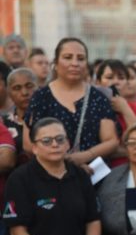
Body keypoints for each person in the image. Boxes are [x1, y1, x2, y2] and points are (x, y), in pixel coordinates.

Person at [22, 37, 119, 167]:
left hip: (93, 176)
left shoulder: (98, 97)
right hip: (51, 176)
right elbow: (29, 144)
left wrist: (85, 156)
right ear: (55, 63)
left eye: (80, 58)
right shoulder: (41, 97)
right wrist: (66, 164)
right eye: (68, 57)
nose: (75, 63)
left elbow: (111, 140)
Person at [96, 59, 136, 167]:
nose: (116, 82)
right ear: (98, 82)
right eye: (109, 77)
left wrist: (125, 109)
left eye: (121, 78)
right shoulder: (93, 108)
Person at [4, 68, 38, 164]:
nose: (24, 93)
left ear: (38, 87)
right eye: (17, 88)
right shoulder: (4, 123)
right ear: (9, 93)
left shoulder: (50, 119)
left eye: (29, 86)